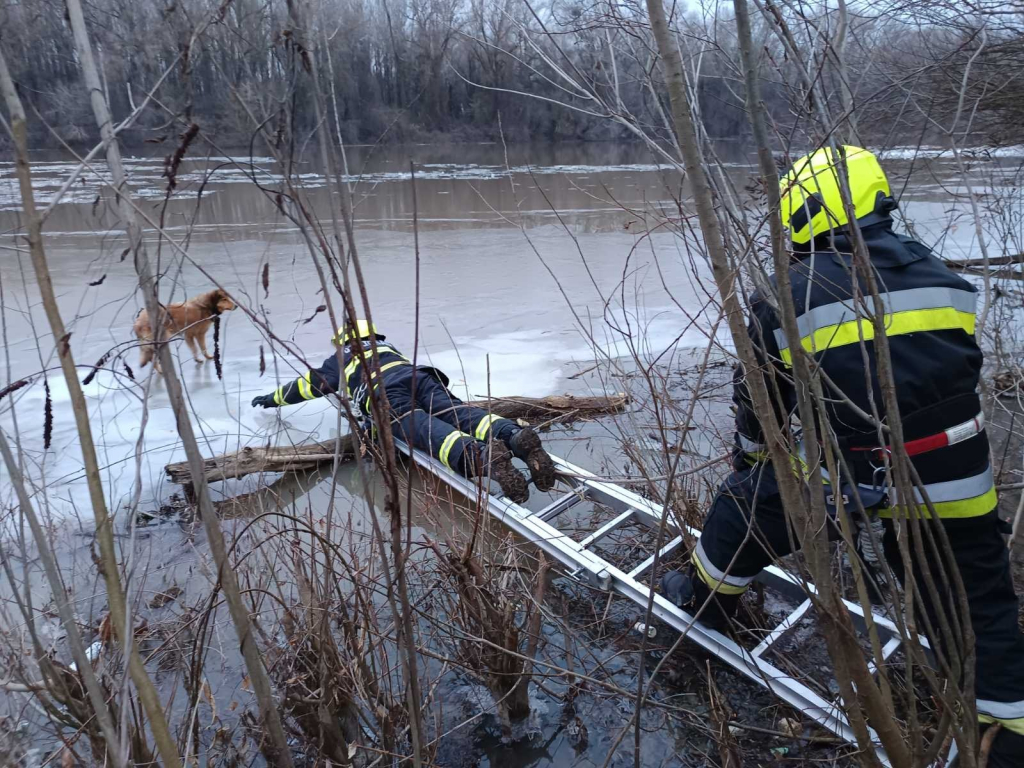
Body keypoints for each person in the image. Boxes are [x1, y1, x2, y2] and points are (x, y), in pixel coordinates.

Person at [660, 146, 1024, 765]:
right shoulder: (945, 277)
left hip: (852, 476)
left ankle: (703, 606)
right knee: (981, 608)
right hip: (961, 476)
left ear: (805, 209)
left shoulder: (785, 295)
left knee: (739, 511)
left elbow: (762, 407)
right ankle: (1008, 736)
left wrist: (751, 467)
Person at [250, 320, 556, 504]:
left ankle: (480, 457)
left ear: (343, 341)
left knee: (419, 427)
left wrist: (270, 399)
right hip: (420, 377)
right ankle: (513, 436)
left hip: (385, 393)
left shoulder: (342, 357)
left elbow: (307, 386)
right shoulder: (387, 347)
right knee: (454, 411)